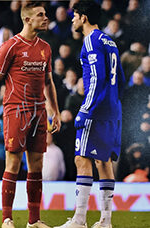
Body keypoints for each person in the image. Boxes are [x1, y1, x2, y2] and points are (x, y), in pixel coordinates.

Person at [0, 2, 61, 228]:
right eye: (41, 15)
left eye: (45, 14)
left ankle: (33, 221)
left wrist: (54, 111)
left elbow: (49, 82)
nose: (45, 18)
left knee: (36, 165)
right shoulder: (10, 46)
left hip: (39, 112)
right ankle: (6, 219)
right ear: (27, 20)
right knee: (13, 163)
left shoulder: (45, 47)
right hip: (16, 110)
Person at [54, 1, 126, 228]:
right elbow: (120, 79)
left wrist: (85, 110)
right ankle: (105, 220)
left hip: (95, 110)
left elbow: (96, 78)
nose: (72, 19)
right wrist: (113, 101)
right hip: (113, 109)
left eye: (74, 15)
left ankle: (80, 219)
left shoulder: (91, 40)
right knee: (103, 162)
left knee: (81, 159)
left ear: (83, 17)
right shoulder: (109, 40)